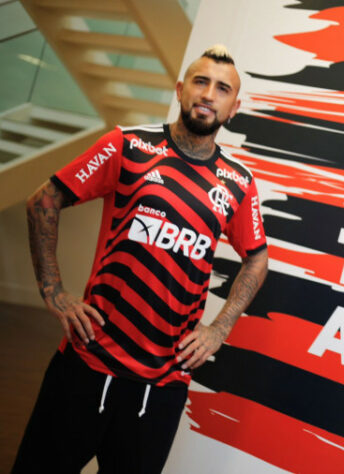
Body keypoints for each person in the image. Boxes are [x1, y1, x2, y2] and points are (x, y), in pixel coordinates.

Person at [12, 44, 268, 474]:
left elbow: (257, 259)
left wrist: (220, 328)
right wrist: (55, 294)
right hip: (87, 364)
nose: (208, 94)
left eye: (222, 88)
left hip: (163, 386)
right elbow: (43, 201)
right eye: (200, 82)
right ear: (180, 89)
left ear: (233, 107)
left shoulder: (239, 183)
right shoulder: (127, 145)